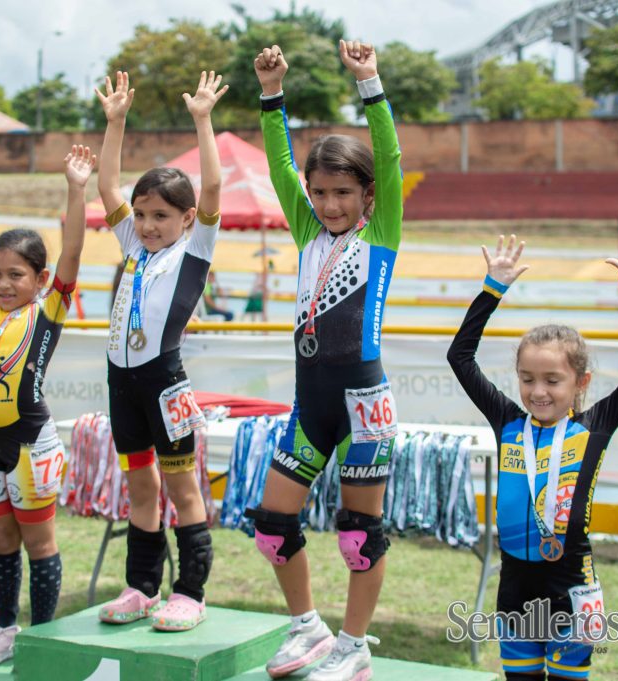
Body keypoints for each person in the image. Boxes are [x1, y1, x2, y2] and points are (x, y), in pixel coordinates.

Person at [248, 40, 402, 681]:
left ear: (368, 195)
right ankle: (306, 627)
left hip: (365, 406)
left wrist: (368, 82)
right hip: (311, 403)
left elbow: (389, 158)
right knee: (272, 526)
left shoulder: (382, 233)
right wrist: (270, 93)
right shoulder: (308, 230)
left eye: (342, 193)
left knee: (359, 538)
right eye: (319, 193)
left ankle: (354, 647)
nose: (329, 204)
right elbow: (281, 163)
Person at [447, 230, 618, 681]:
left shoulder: (595, 425)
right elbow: (460, 356)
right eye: (527, 379)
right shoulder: (507, 422)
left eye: (552, 379)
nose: (537, 391)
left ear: (580, 383)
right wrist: (493, 289)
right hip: (515, 588)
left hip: (572, 587)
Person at [93, 69, 226, 633]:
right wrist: (115, 122)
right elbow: (106, 188)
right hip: (120, 381)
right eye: (142, 215)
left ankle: (190, 594)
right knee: (139, 486)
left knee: (181, 486)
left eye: (160, 216)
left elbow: (213, 189)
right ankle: (140, 588)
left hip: (164, 382)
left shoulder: (194, 249)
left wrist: (202, 119)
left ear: (187, 219)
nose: (146, 225)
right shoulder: (132, 243)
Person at [0, 138, 86, 666]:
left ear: (40, 280)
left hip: (31, 444)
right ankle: (5, 631)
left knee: (38, 544)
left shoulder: (47, 310)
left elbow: (71, 250)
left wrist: (75, 191)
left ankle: (43, 639)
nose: (3, 283)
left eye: (16, 275)